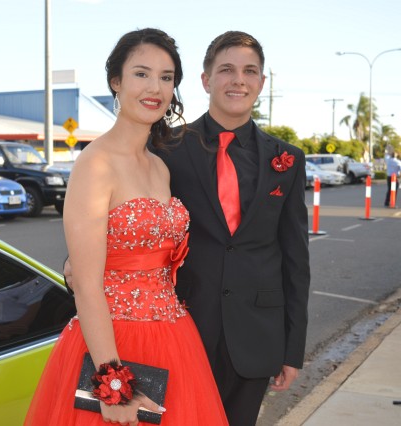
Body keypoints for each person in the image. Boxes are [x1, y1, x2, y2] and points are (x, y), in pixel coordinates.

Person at [65, 30, 310, 426]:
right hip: (180, 328)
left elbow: (296, 260)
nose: (238, 80)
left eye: (250, 71)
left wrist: (292, 347)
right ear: (205, 80)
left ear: (262, 82)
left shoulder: (287, 159)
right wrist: (75, 262)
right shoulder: (167, 149)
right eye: (226, 69)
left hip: (245, 337)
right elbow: (109, 225)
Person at [25, 28, 228, 426]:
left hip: (174, 338)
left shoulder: (159, 166)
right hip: (112, 342)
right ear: (116, 81)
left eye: (166, 77)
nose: (155, 88)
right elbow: (86, 284)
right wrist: (111, 382)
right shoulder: (94, 164)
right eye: (141, 74)